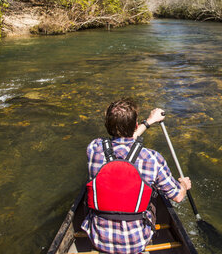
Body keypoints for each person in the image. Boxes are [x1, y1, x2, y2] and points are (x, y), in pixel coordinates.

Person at [81, 98, 191, 254]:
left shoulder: (94, 148)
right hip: (136, 242)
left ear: (107, 126)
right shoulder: (152, 158)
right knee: (152, 192)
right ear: (136, 126)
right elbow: (178, 197)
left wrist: (149, 122)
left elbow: (123, 143)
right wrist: (184, 185)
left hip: (98, 238)